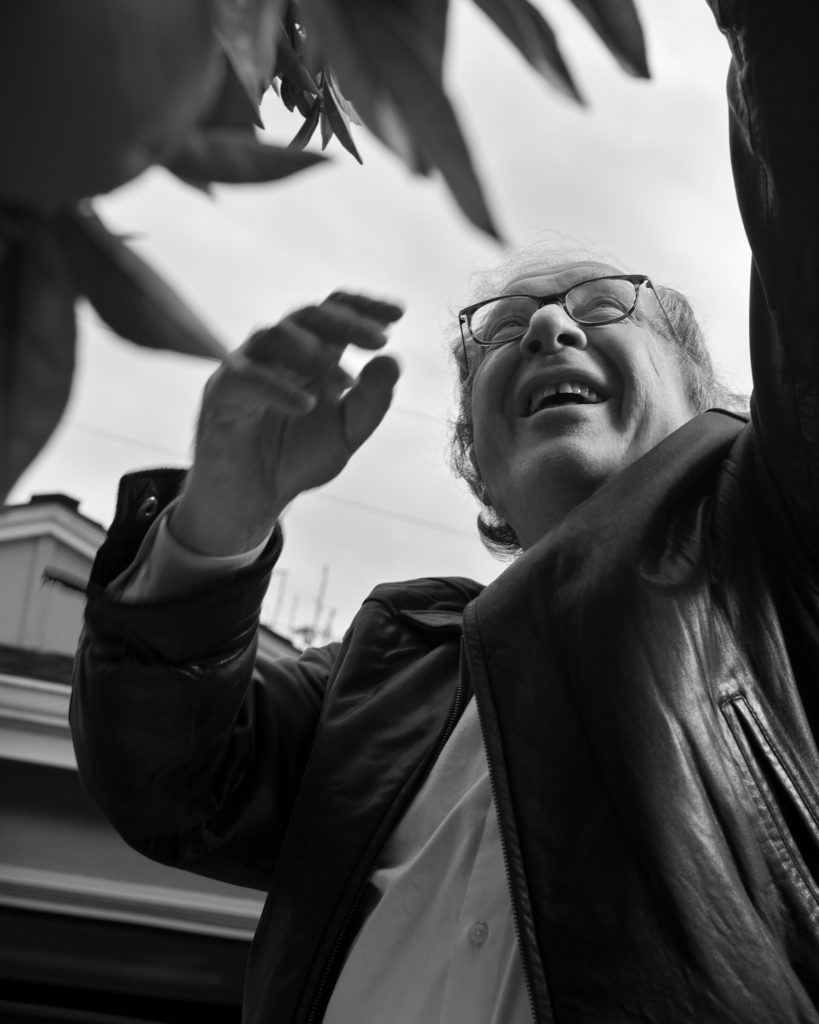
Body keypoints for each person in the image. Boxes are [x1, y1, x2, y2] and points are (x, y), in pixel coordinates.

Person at [70, 2, 819, 1022]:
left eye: (605, 305)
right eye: (504, 329)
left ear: (713, 399)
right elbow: (168, 781)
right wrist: (217, 524)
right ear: (481, 467)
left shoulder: (777, 544)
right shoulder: (389, 665)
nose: (548, 326)